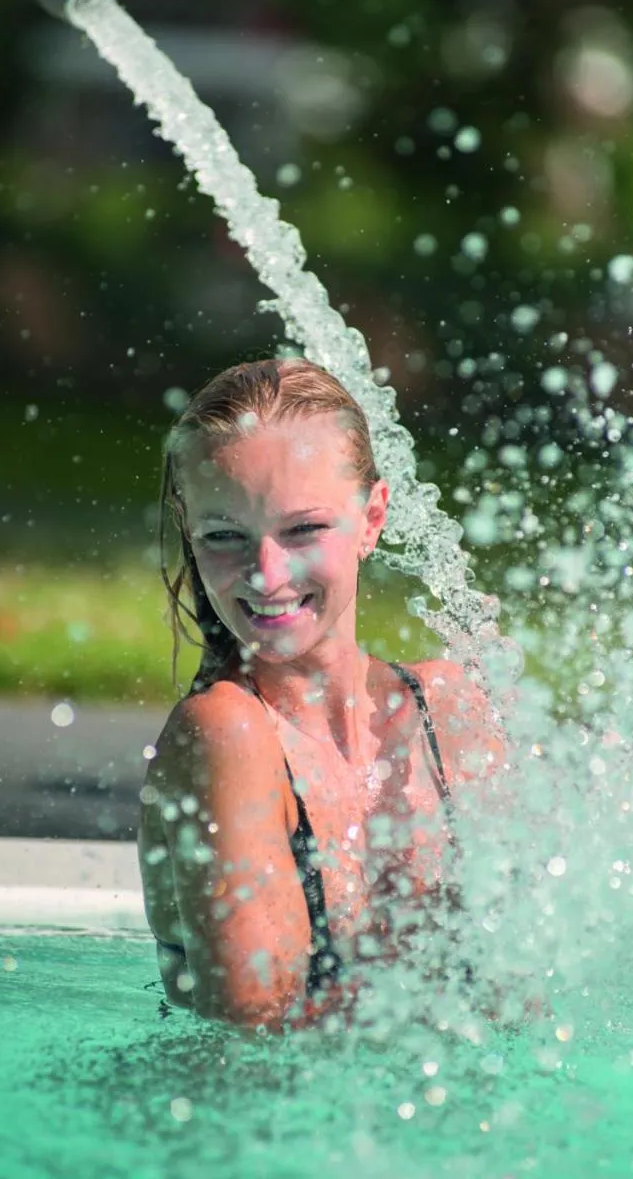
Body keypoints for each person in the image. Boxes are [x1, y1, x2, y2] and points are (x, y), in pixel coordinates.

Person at [138, 357, 506, 1029]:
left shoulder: (445, 710)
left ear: (372, 518)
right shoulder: (226, 736)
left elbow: (521, 995)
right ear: (190, 533)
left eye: (303, 529)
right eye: (224, 536)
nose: (266, 574)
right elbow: (253, 1042)